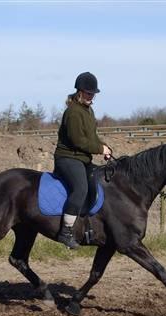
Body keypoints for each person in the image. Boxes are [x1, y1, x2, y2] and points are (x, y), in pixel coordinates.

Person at [53, 71, 112, 249]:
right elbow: (77, 140)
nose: (90, 96)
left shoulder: (88, 111)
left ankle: (87, 227)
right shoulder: (73, 112)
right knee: (80, 188)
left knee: (99, 180)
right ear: (79, 91)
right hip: (67, 158)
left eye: (93, 93)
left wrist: (105, 147)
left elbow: (91, 137)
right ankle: (66, 231)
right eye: (88, 93)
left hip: (82, 159)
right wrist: (99, 148)